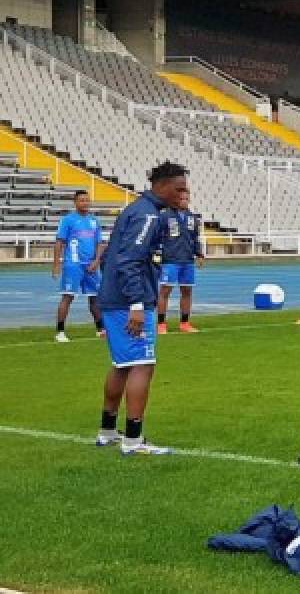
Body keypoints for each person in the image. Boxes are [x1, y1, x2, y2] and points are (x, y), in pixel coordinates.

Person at [94, 161, 189, 455]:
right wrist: (136, 304)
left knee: (122, 365)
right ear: (161, 186)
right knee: (143, 364)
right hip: (130, 301)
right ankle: (133, 439)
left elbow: (117, 254)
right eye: (179, 189)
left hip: (114, 298)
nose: (184, 194)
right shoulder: (147, 216)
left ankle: (107, 431)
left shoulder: (140, 211)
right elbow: (128, 261)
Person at [52, 190, 107, 342]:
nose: (85, 203)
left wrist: (96, 261)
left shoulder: (94, 221)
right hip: (73, 265)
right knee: (68, 297)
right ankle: (60, 331)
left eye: (87, 200)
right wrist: (56, 264)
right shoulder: (68, 220)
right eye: (81, 200)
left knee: (95, 298)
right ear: (75, 202)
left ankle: (100, 329)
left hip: (91, 265)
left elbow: (99, 243)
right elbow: (59, 242)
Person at [156, 188, 203, 334]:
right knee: (165, 291)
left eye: (186, 199)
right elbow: (156, 237)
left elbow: (195, 238)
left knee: (187, 291)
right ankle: (161, 324)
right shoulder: (164, 217)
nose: (184, 201)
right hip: (170, 260)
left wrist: (199, 254)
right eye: (181, 199)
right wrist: (157, 257)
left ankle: (184, 323)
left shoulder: (192, 218)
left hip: (187, 260)